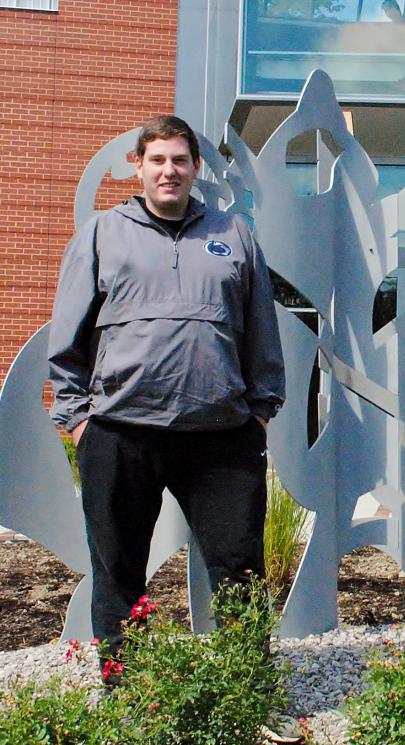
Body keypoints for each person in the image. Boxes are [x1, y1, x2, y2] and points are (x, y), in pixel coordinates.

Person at [47, 115, 285, 677]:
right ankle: (125, 691)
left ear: (196, 169)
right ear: (139, 166)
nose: (169, 171)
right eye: (158, 160)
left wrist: (260, 413)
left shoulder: (233, 236)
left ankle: (246, 690)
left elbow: (261, 332)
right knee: (118, 569)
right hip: (121, 432)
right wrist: (78, 421)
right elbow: (68, 337)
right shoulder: (104, 234)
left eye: (180, 160)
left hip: (221, 436)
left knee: (239, 567)